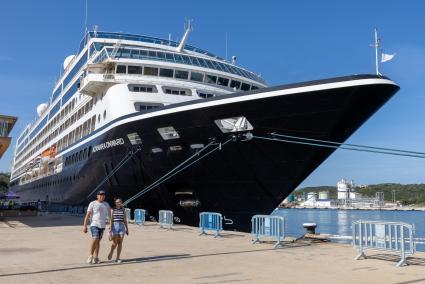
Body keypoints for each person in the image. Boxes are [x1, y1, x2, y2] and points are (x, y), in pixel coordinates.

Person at [83, 190, 110, 264]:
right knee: (95, 238)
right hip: (94, 224)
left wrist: (111, 224)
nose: (102, 196)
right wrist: (85, 226)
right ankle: (91, 256)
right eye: (100, 195)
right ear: (97, 196)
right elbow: (87, 215)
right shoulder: (93, 203)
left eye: (103, 195)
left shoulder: (106, 204)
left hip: (102, 225)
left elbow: (110, 214)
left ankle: (96, 257)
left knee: (98, 242)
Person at [107, 197, 129, 263]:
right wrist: (110, 228)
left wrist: (127, 229)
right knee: (115, 243)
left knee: (120, 242)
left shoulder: (123, 209)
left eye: (119, 202)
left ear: (121, 203)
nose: (118, 203)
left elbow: (124, 219)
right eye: (117, 202)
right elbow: (111, 219)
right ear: (115, 203)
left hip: (122, 226)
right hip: (115, 226)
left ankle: (118, 258)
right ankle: (111, 251)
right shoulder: (113, 209)